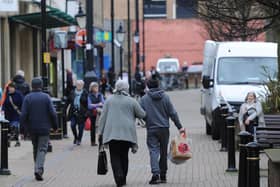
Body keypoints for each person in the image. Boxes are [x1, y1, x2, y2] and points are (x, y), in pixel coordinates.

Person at [98, 80, 146, 187]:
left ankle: (118, 177)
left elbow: (102, 118)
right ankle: (123, 178)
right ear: (126, 88)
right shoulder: (131, 100)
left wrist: (100, 132)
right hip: (127, 133)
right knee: (124, 156)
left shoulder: (109, 101)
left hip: (111, 134)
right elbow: (142, 114)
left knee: (114, 156)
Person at [140, 78, 185, 184]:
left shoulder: (144, 99)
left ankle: (155, 174)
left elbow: (140, 113)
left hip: (151, 129)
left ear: (148, 86)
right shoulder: (165, 97)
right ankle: (163, 175)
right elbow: (173, 113)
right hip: (164, 128)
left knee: (153, 151)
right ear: (158, 85)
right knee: (163, 152)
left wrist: (145, 121)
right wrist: (180, 127)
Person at [20, 77, 58, 181]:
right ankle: (38, 169)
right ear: (41, 86)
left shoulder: (27, 98)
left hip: (32, 128)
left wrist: (22, 130)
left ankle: (37, 168)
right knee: (42, 149)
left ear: (32, 86)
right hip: (44, 128)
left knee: (35, 148)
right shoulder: (46, 97)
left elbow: (23, 115)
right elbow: (53, 113)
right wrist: (55, 127)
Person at [2, 82, 23, 147]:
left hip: (16, 114)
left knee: (14, 127)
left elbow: (22, 103)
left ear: (14, 88)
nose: (10, 89)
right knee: (9, 129)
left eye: (12, 88)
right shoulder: (7, 94)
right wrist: (3, 109)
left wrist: (20, 109)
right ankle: (10, 141)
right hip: (8, 114)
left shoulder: (18, 94)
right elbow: (4, 103)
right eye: (9, 88)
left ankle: (15, 141)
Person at [67, 80, 88, 145]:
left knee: (81, 128)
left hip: (82, 113)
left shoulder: (85, 93)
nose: (79, 86)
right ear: (76, 85)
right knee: (72, 125)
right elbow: (68, 101)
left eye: (80, 85)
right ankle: (75, 137)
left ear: (83, 85)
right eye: (78, 85)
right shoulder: (72, 92)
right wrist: (64, 109)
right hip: (73, 112)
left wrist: (86, 113)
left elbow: (88, 104)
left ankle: (79, 139)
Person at [88, 82, 104, 146]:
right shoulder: (89, 95)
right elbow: (89, 106)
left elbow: (103, 103)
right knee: (93, 128)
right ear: (91, 88)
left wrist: (94, 105)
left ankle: (101, 140)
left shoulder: (100, 95)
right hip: (93, 113)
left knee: (101, 127)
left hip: (100, 113)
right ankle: (93, 141)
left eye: (96, 87)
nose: (96, 88)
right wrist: (97, 105)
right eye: (94, 87)